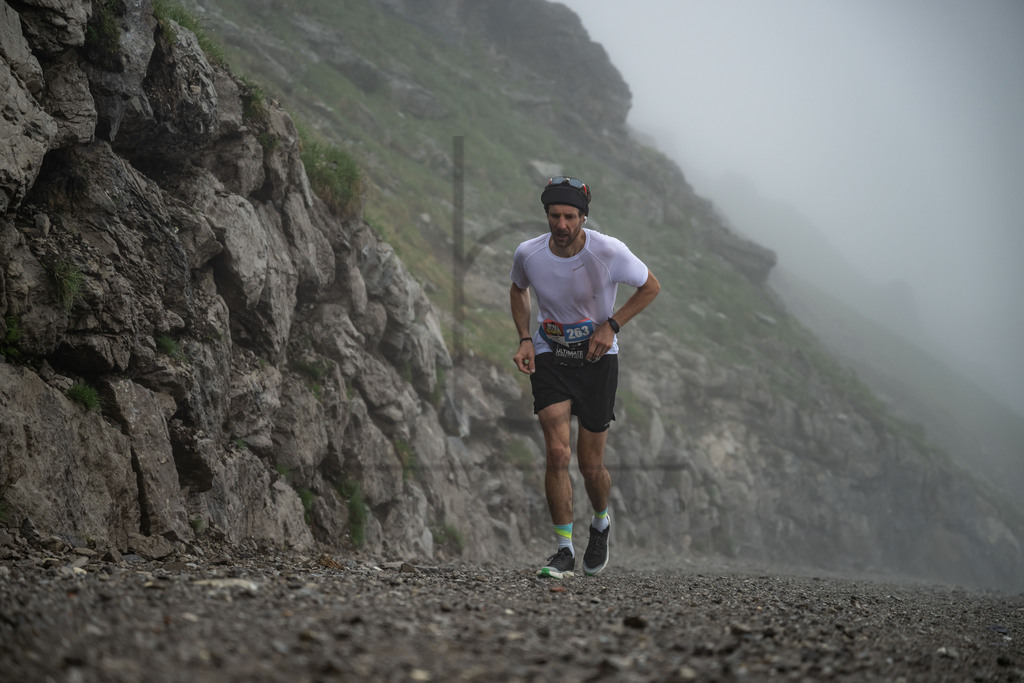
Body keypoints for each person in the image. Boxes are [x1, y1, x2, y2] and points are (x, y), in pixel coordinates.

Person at [509, 176, 660, 578]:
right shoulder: (529, 253)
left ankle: (600, 522)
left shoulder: (609, 251)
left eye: (570, 217)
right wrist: (525, 337)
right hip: (550, 354)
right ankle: (562, 548)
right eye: (555, 216)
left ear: (583, 218)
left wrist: (611, 324)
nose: (561, 225)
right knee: (558, 453)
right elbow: (518, 289)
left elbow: (650, 287)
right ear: (547, 215)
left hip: (597, 357)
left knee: (591, 465)